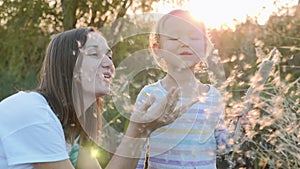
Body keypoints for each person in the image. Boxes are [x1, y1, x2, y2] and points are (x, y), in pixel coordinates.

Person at [0, 27, 197, 169]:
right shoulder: (33, 113)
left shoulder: (73, 128)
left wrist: (141, 129)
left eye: (109, 56)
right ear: (67, 65)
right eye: (94, 54)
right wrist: (137, 129)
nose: (109, 65)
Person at [135, 9, 242, 169]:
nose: (185, 42)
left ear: (204, 48)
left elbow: (223, 146)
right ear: (157, 48)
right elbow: (137, 152)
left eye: (194, 37)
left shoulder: (212, 97)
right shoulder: (150, 95)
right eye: (174, 37)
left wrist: (239, 127)